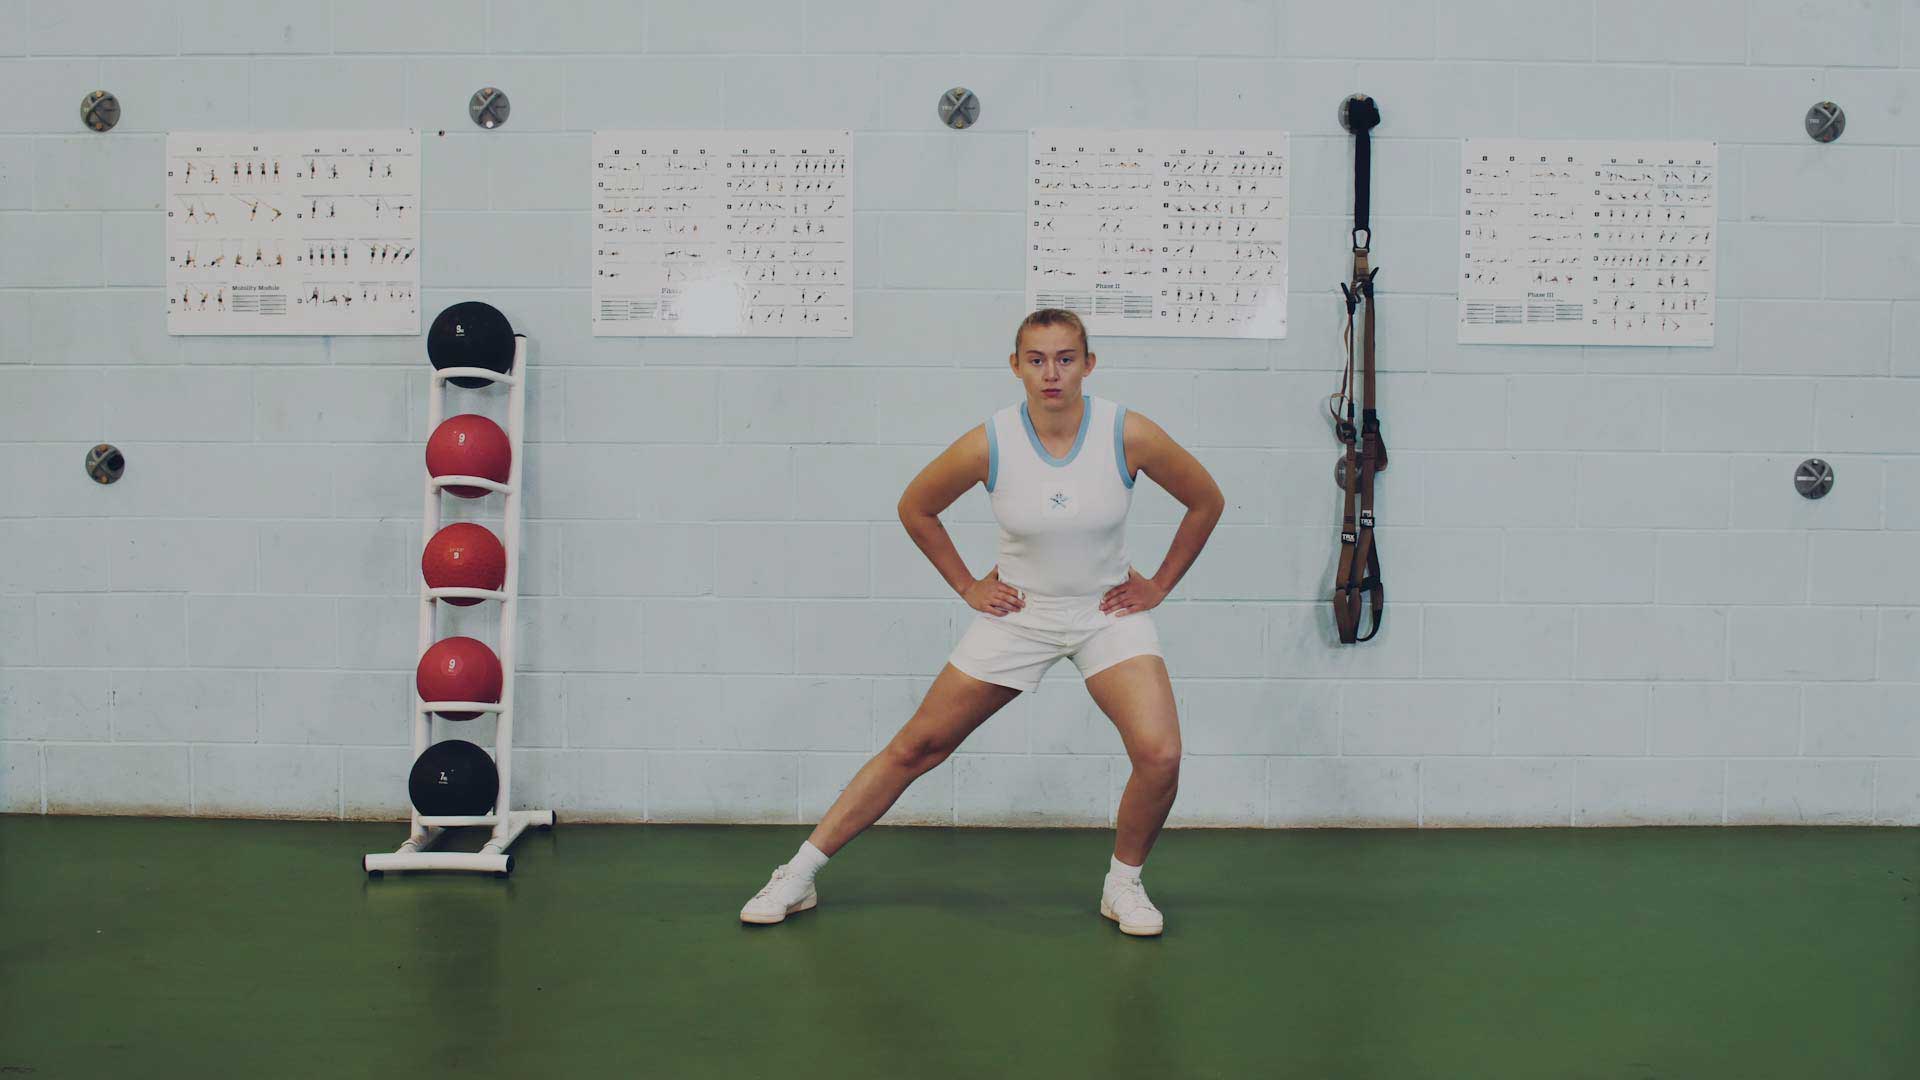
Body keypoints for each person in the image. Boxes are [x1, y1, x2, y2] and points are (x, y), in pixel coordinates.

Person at [740, 308, 1224, 936]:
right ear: (1016, 366)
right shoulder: (991, 441)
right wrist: (968, 585)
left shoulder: (1126, 432)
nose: (1051, 373)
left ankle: (1123, 885)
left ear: (1089, 364)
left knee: (1161, 753)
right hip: (1019, 616)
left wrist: (1158, 585)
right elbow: (917, 507)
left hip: (1104, 614)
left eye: (1066, 359)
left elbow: (1205, 500)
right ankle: (798, 873)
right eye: (1037, 360)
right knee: (918, 746)